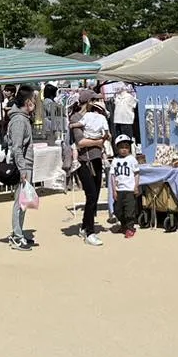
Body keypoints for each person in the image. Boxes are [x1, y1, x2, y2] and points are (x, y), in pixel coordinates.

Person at [70, 90, 108, 247]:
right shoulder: (76, 117)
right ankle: (90, 232)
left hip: (97, 158)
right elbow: (80, 142)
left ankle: (85, 226)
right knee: (91, 194)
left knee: (96, 194)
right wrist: (98, 142)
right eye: (94, 100)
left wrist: (102, 140)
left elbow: (106, 134)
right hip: (84, 161)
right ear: (89, 101)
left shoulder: (98, 116)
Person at [6, 87, 36, 251]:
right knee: (20, 202)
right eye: (33, 99)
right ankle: (17, 236)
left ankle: (19, 233)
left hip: (25, 164)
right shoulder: (19, 120)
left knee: (24, 202)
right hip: (23, 166)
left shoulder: (23, 118)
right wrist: (23, 168)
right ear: (28, 101)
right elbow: (17, 148)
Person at [111, 134, 140, 238]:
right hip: (119, 190)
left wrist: (136, 186)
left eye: (126, 147)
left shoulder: (132, 160)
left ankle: (130, 228)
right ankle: (123, 225)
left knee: (129, 210)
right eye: (121, 147)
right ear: (117, 148)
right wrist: (114, 190)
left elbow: (136, 174)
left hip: (129, 189)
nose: (124, 150)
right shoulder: (115, 160)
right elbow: (113, 176)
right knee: (117, 210)